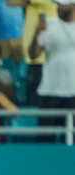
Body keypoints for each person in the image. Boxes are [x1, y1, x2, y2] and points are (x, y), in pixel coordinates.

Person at [30, 0, 75, 143]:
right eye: (58, 5)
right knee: (45, 139)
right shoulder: (48, 24)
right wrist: (37, 34)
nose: (59, 7)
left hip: (73, 91)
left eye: (63, 5)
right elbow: (33, 55)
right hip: (50, 91)